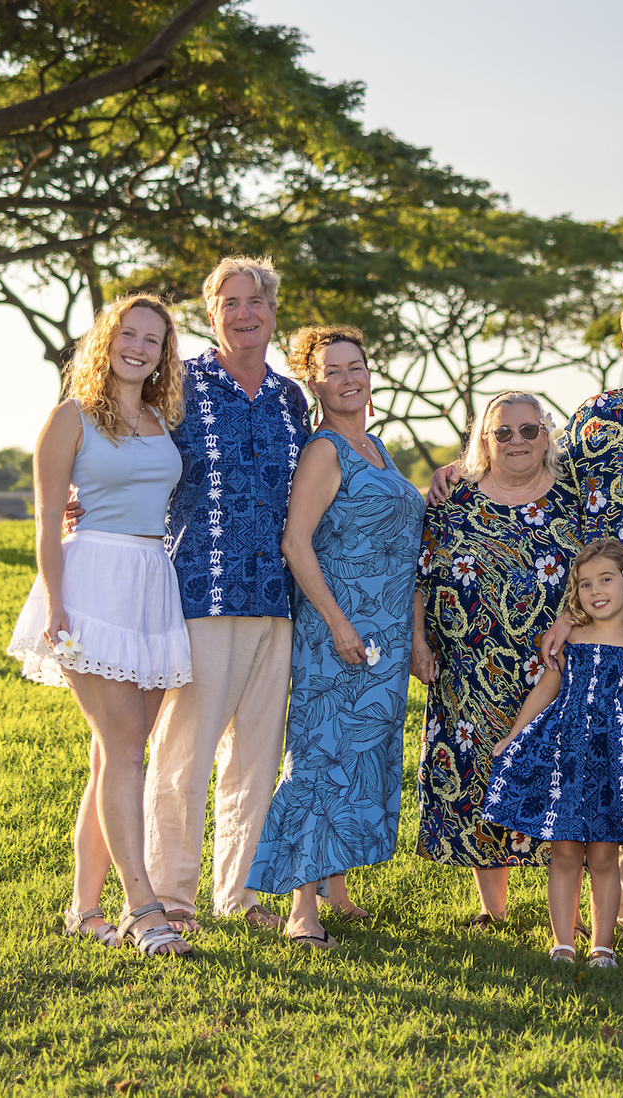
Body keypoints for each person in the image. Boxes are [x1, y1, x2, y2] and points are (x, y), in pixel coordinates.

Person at [475, 294, 623, 942]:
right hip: (605, 625)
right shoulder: (594, 417)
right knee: (617, 761)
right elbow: (552, 498)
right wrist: (460, 475)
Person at [4, 293, 196, 957]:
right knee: (125, 752)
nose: (140, 347)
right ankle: (143, 909)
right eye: (129, 334)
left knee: (111, 755)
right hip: (92, 586)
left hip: (150, 581)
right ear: (107, 340)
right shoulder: (72, 417)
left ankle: (84, 909)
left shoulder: (159, 419)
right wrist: (57, 604)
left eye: (154, 339)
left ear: (164, 352)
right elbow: (47, 518)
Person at [141, 256, 311, 935]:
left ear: (272, 312)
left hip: (277, 598)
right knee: (183, 754)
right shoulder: (179, 384)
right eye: (230, 302)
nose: (244, 313)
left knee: (256, 758)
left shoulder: (290, 398)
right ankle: (170, 898)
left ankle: (238, 895)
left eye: (256, 301)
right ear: (212, 314)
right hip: (201, 592)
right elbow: (134, 452)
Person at [245, 324, 428, 949]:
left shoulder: (376, 447)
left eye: (358, 366)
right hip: (338, 634)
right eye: (333, 370)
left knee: (360, 759)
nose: (349, 378)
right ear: (314, 382)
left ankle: (336, 886)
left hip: (385, 637)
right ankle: (302, 909)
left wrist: (412, 633)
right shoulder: (325, 451)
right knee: (322, 760)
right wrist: (341, 625)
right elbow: (297, 543)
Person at [414, 392, 588, 925]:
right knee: (476, 775)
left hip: (554, 664)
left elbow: (598, 572)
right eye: (503, 432)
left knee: (561, 778)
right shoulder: (451, 497)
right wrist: (419, 642)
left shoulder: (572, 497)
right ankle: (494, 909)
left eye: (529, 430)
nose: (517, 441)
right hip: (467, 667)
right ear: (483, 439)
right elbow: (418, 574)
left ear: (547, 436)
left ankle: (571, 912)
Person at [484, 540, 623, 967]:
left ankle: (602, 946)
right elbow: (545, 690)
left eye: (607, 580)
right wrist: (515, 736)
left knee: (603, 855)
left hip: (615, 758)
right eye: (585, 585)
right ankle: (562, 942)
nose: (596, 591)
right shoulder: (571, 638)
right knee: (565, 852)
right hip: (566, 755)